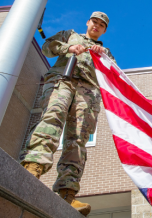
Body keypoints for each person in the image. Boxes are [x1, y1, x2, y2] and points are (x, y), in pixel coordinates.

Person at [18, 12, 116, 216]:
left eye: (101, 25)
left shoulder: (105, 51)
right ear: (88, 22)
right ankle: (31, 169)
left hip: (88, 92)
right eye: (94, 22)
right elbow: (47, 48)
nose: (96, 26)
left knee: (78, 138)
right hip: (63, 80)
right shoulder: (70, 34)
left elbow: (113, 74)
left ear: (104, 30)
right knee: (52, 119)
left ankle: (67, 193)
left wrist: (103, 56)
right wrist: (68, 48)